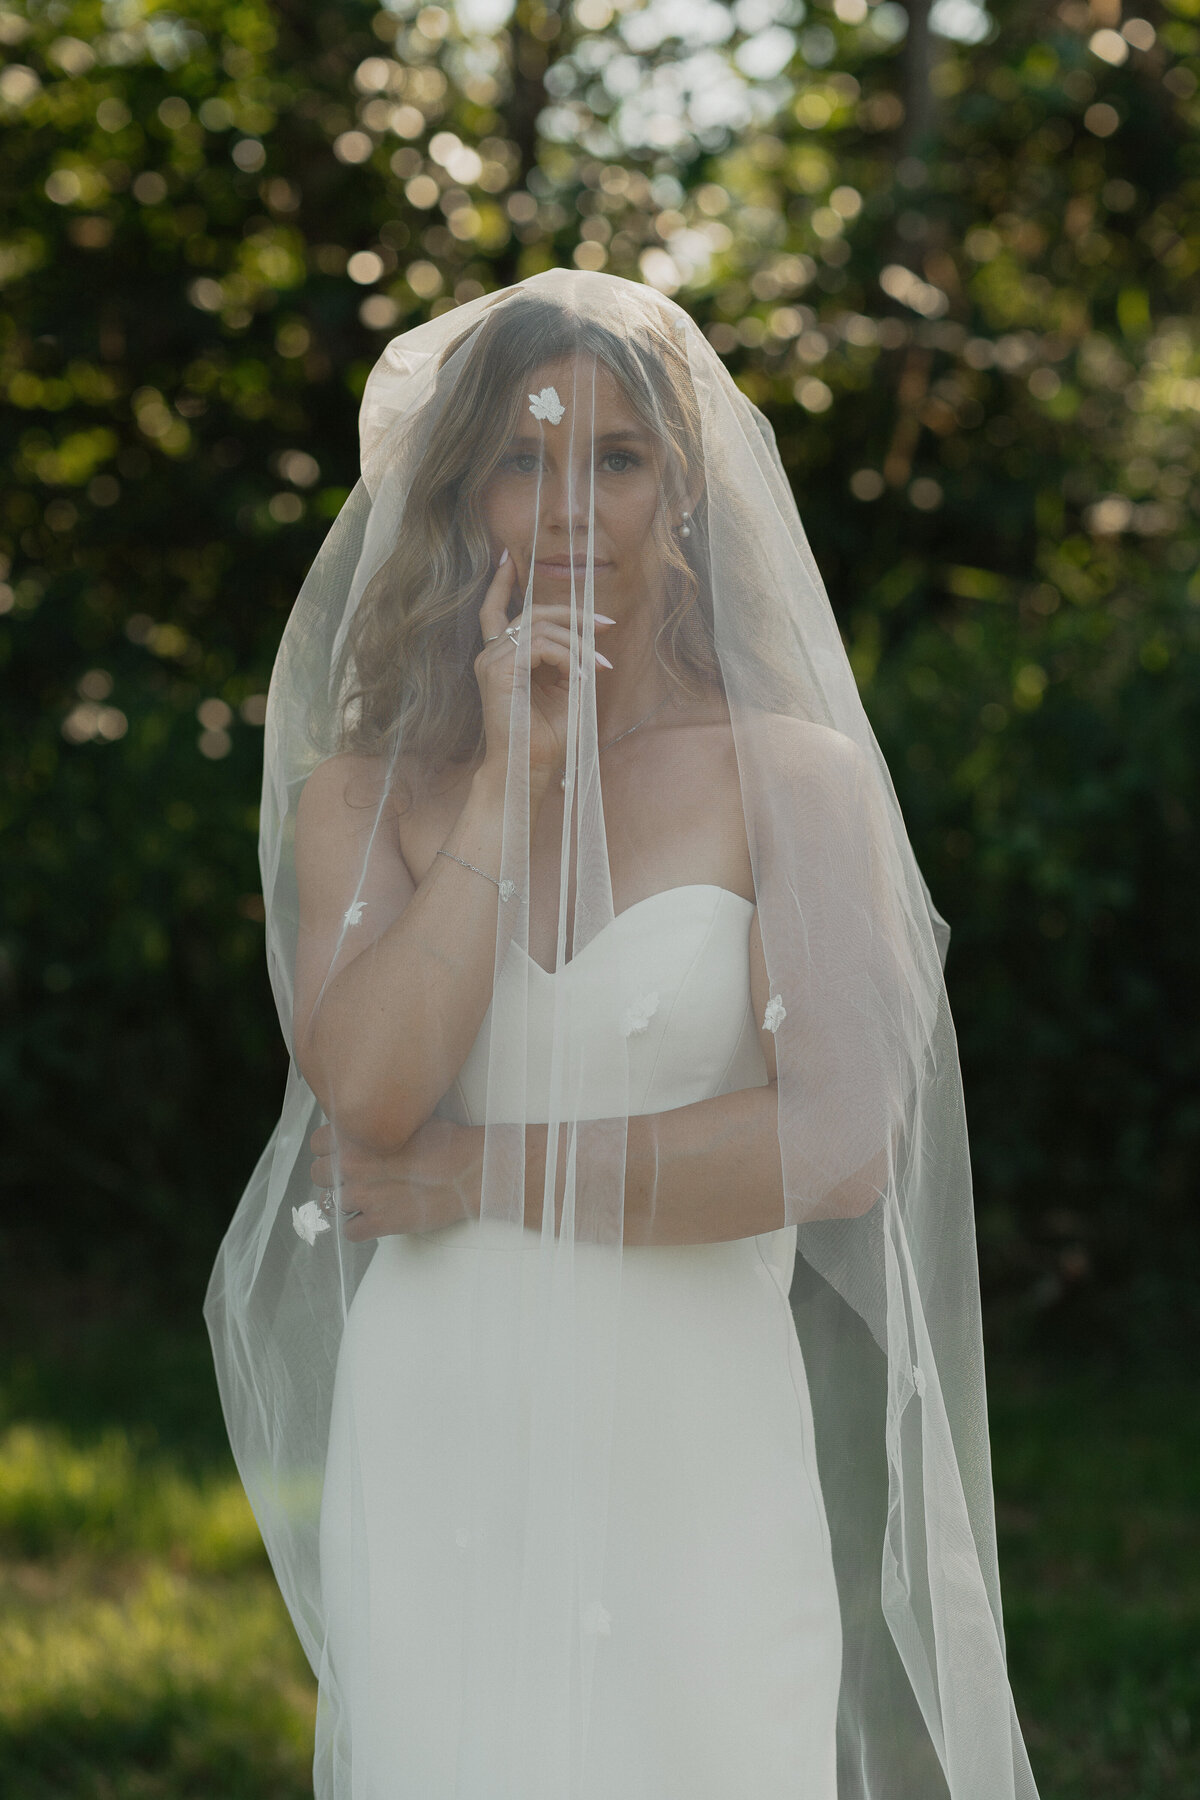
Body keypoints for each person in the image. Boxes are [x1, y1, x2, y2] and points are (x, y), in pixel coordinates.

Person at [205, 268, 1042, 1800]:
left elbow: (836, 1145)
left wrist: (477, 1177)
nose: (572, 506)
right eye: (522, 460)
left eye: (619, 457)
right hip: (441, 1420)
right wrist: (510, 785)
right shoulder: (363, 797)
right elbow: (372, 1093)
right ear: (458, 497)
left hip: (691, 1429)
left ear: (685, 491)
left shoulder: (790, 778)